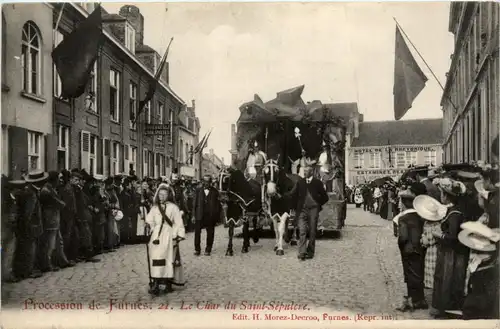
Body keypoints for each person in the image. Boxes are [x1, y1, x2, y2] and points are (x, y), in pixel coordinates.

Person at [431, 177, 470, 318]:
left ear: (447, 196)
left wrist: (438, 235)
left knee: (449, 279)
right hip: (450, 252)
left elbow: (453, 237)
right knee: (447, 279)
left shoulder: (454, 214)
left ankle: (448, 309)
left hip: (451, 254)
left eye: (442, 193)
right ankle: (447, 308)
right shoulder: (453, 211)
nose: (440, 196)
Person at [393, 183, 428, 311]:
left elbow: (403, 237)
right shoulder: (420, 216)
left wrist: (400, 245)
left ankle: (413, 300)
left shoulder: (403, 218)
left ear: (403, 204)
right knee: (418, 273)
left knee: (409, 275)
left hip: (408, 250)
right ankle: (419, 299)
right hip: (420, 248)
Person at [146, 183, 185, 295]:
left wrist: (177, 236)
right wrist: (149, 225)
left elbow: (178, 223)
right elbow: (150, 219)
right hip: (156, 236)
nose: (161, 196)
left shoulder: (174, 208)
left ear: (168, 195)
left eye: (164, 194)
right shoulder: (154, 208)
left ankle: (166, 283)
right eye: (160, 194)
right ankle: (155, 282)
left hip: (168, 235)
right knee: (155, 257)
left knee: (167, 258)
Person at [287, 166, 328, 261]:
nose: (305, 173)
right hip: (302, 210)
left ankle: (310, 251)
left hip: (313, 210)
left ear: (312, 172)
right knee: (302, 230)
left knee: (312, 231)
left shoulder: (317, 183)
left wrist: (317, 204)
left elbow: (325, 197)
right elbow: (293, 195)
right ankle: (302, 252)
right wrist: (292, 205)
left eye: (307, 171)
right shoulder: (300, 182)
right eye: (304, 171)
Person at [459, 222, 499, 319]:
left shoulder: (483, 258)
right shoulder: (484, 257)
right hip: (483, 275)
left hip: (482, 278)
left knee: (479, 299)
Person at [192, 175, 221, 256]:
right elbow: (194, 204)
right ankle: (197, 249)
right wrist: (193, 215)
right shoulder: (197, 191)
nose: (206, 183)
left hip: (210, 216)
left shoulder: (215, 191)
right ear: (202, 182)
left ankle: (208, 249)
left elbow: (217, 206)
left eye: (208, 181)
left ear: (210, 182)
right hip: (199, 214)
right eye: (205, 181)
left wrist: (217, 217)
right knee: (197, 233)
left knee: (210, 233)